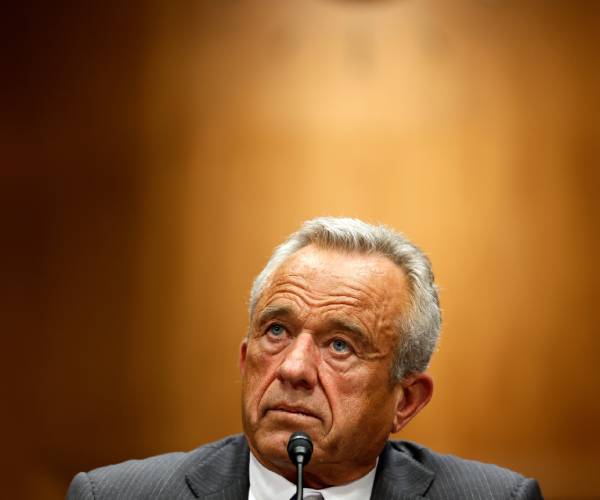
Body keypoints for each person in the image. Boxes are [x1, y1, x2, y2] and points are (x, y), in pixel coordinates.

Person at [67, 217, 543, 499]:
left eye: (340, 345)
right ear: (245, 358)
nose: (292, 369)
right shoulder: (115, 496)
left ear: (406, 400)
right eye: (276, 331)